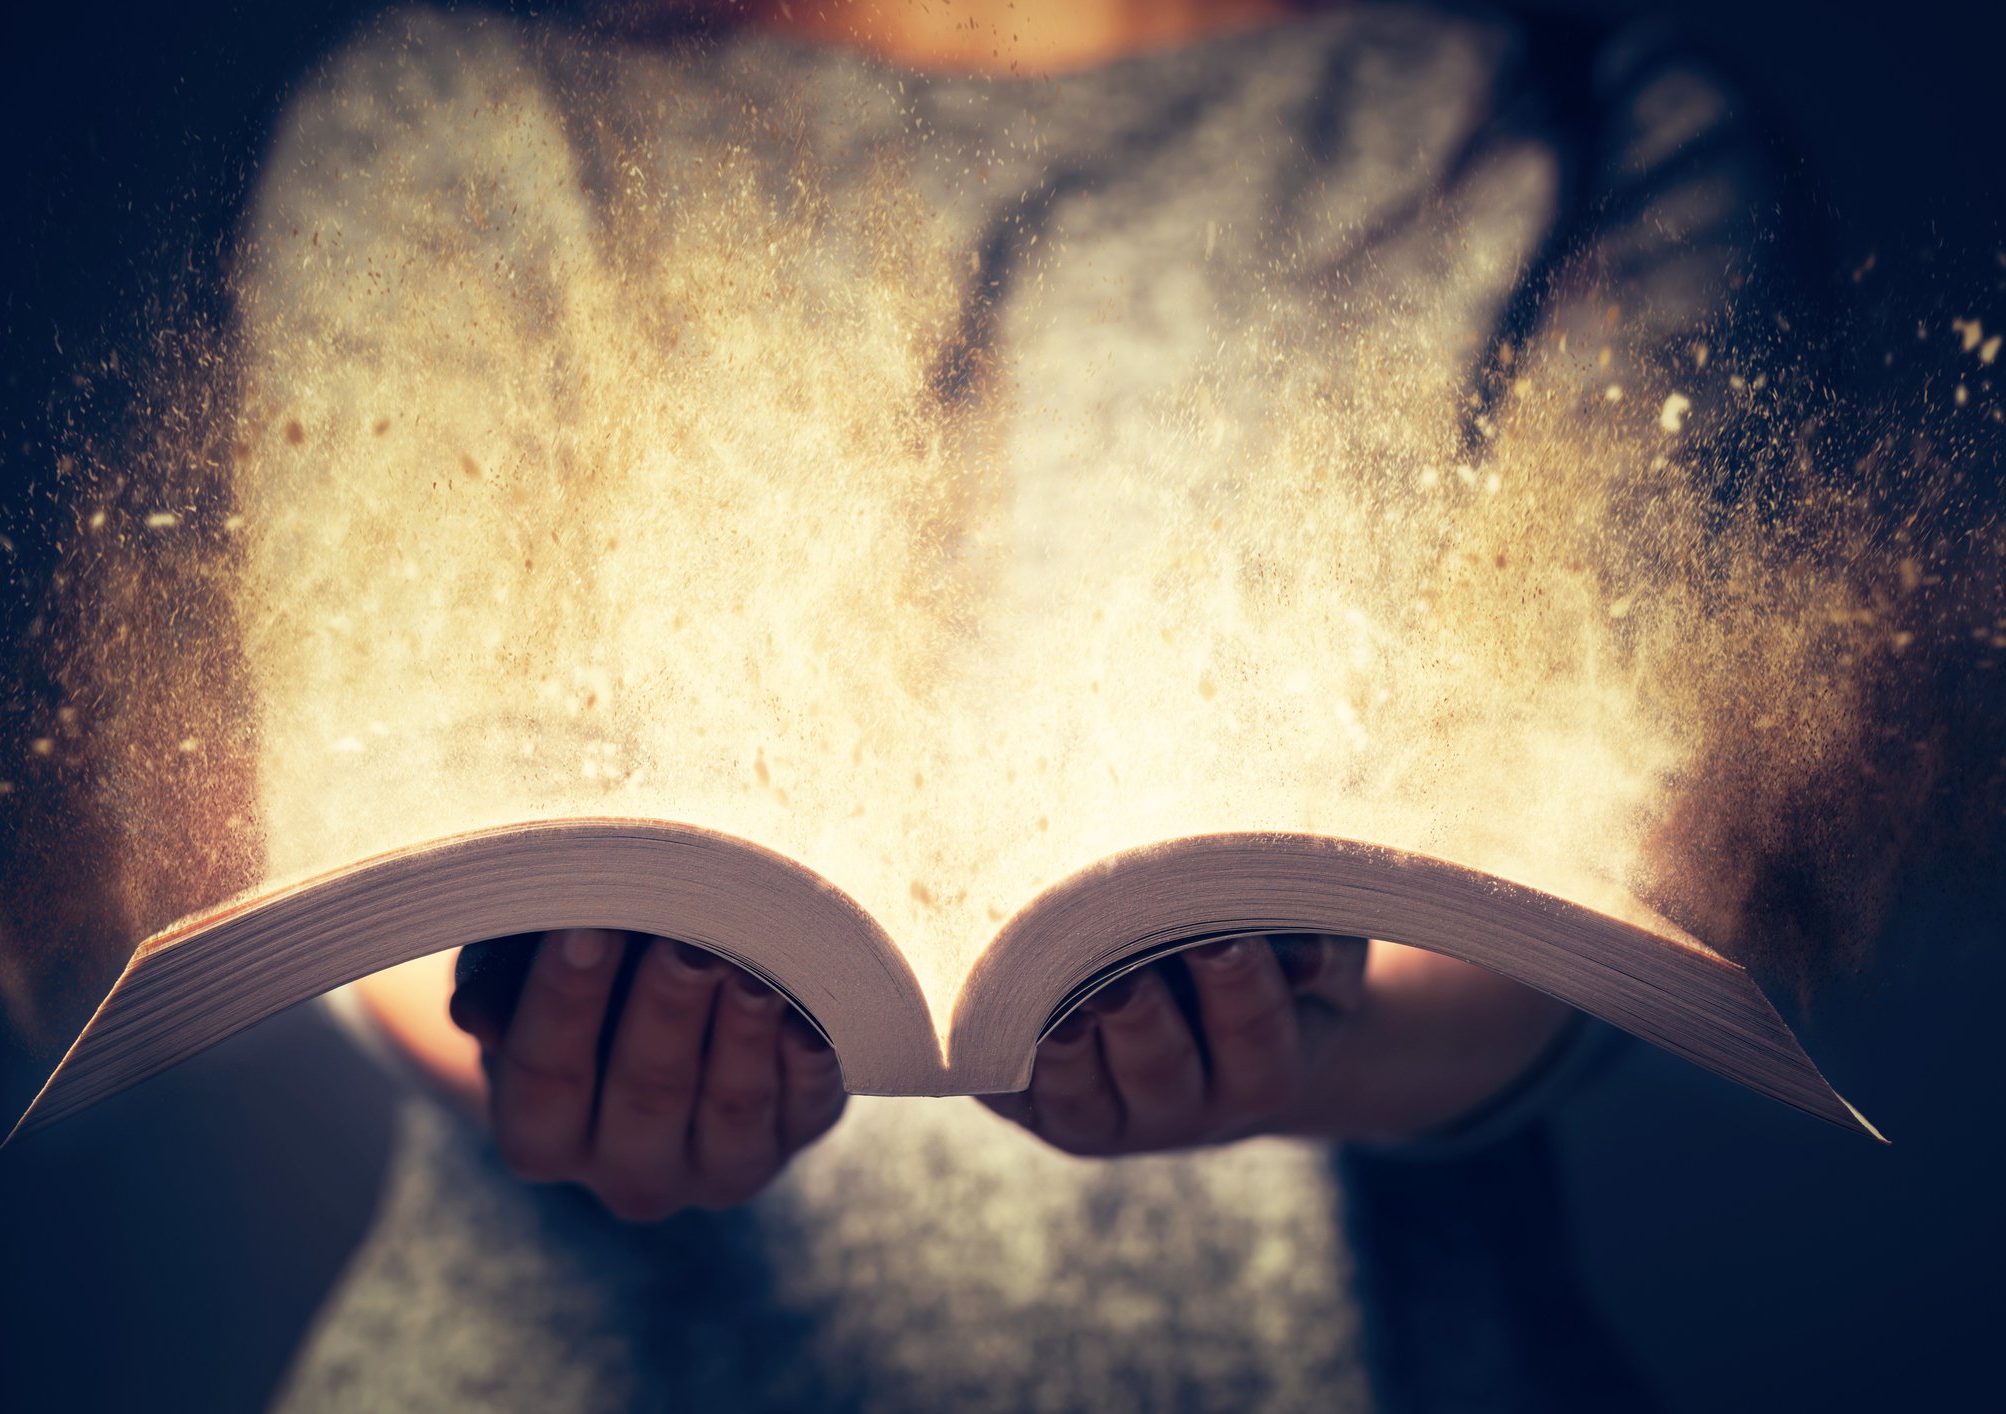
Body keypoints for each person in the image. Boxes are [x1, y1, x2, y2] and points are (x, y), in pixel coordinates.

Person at [235, 1, 1790, 1408]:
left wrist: (1311, 1038)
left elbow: (1582, 877)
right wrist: (563, 1031)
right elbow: (388, 823)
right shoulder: (458, 109)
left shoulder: (1594, 115)